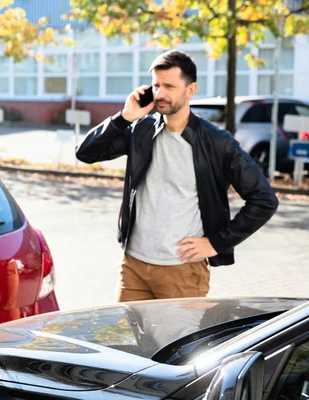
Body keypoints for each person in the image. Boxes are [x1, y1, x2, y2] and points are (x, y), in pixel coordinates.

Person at [75, 50, 278, 302]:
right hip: (133, 266)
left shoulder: (217, 142)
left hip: (181, 271)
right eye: (156, 85)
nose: (160, 93)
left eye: (169, 86)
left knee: (179, 342)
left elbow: (264, 199)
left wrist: (216, 243)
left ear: (190, 90)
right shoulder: (141, 129)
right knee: (131, 342)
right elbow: (86, 153)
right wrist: (125, 117)